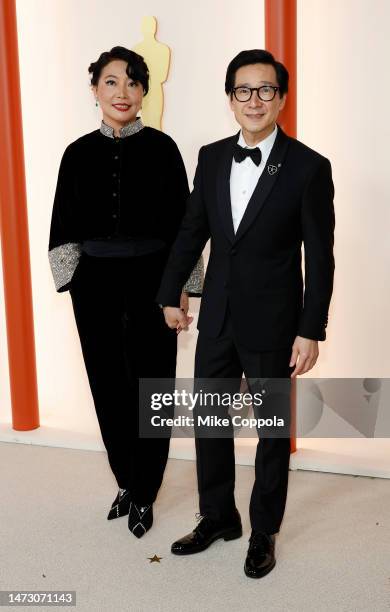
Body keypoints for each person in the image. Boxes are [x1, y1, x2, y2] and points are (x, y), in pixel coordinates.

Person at [156, 49, 335, 577]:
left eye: (265, 90)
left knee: (271, 431)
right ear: (230, 98)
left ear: (280, 97)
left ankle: (263, 530)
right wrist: (172, 291)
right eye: (242, 90)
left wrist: (310, 329)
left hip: (276, 323)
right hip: (216, 319)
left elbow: (319, 257)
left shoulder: (308, 166)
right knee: (210, 423)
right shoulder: (211, 157)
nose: (253, 101)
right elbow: (193, 230)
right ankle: (217, 516)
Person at [48, 46, 203, 538]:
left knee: (152, 387)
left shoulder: (163, 148)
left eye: (133, 82)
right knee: (107, 384)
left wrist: (182, 290)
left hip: (154, 283)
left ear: (144, 93)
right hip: (94, 286)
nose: (122, 92)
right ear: (94, 89)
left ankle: (145, 492)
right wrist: (73, 283)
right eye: (111, 82)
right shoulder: (76, 153)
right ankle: (125, 480)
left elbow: (186, 226)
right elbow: (62, 225)